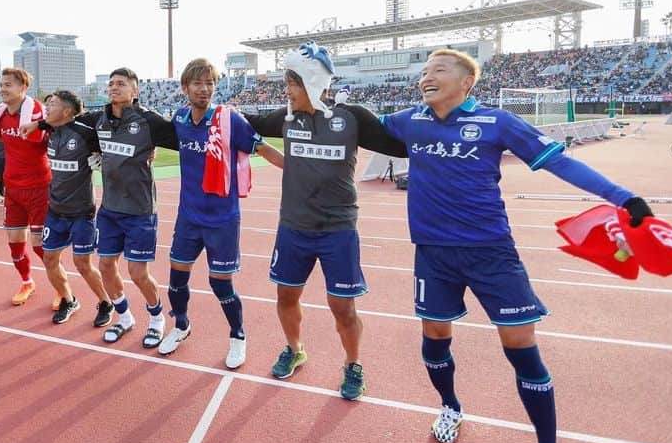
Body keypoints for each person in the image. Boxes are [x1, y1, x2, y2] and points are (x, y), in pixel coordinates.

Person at [380, 49, 655, 443]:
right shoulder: (408, 120)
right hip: (432, 254)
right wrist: (317, 85)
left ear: (466, 82)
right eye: (424, 72)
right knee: (433, 336)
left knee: (522, 350)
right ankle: (449, 407)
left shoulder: (498, 122)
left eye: (438, 71)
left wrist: (623, 198)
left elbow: (559, 162)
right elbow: (351, 121)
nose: (427, 78)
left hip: (492, 254)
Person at [244, 42, 408, 399]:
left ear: (312, 82)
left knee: (342, 307)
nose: (286, 91)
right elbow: (247, 122)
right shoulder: (287, 119)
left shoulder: (352, 118)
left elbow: (401, 146)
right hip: (293, 228)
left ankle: (353, 364)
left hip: (337, 231)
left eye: (292, 83)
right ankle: (295, 348)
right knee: (286, 295)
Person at [26, 68, 180, 346]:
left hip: (141, 210)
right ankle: (124, 317)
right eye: (111, 84)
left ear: (135, 91)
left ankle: (157, 319)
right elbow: (63, 120)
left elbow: (184, 138)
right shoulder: (97, 119)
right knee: (106, 266)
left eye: (121, 83)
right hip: (109, 209)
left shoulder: (149, 121)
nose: (114, 87)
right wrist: (38, 125)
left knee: (137, 273)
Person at [158, 58, 284, 369]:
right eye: (198, 83)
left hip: (223, 218)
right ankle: (181, 325)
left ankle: (238, 335)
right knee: (176, 278)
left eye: (210, 83)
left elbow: (264, 149)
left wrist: (302, 170)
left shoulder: (229, 121)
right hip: (188, 216)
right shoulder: (179, 118)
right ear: (185, 87)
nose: (204, 89)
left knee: (220, 284)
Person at [37, 90, 114, 325]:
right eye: (46, 104)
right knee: (49, 259)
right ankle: (69, 299)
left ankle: (105, 302)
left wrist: (103, 157)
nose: (47, 108)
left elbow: (111, 144)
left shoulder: (84, 133)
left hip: (82, 212)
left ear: (68, 111)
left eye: (52, 104)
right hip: (55, 210)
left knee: (82, 263)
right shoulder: (48, 130)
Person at [0, 67, 50, 306]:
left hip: (39, 186)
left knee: (41, 247)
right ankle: (27, 281)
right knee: (15, 245)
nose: (3, 89)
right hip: (13, 188)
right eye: (2, 84)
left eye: (9, 84)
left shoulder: (36, 111)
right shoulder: (0, 115)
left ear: (23, 88)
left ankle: (61, 289)